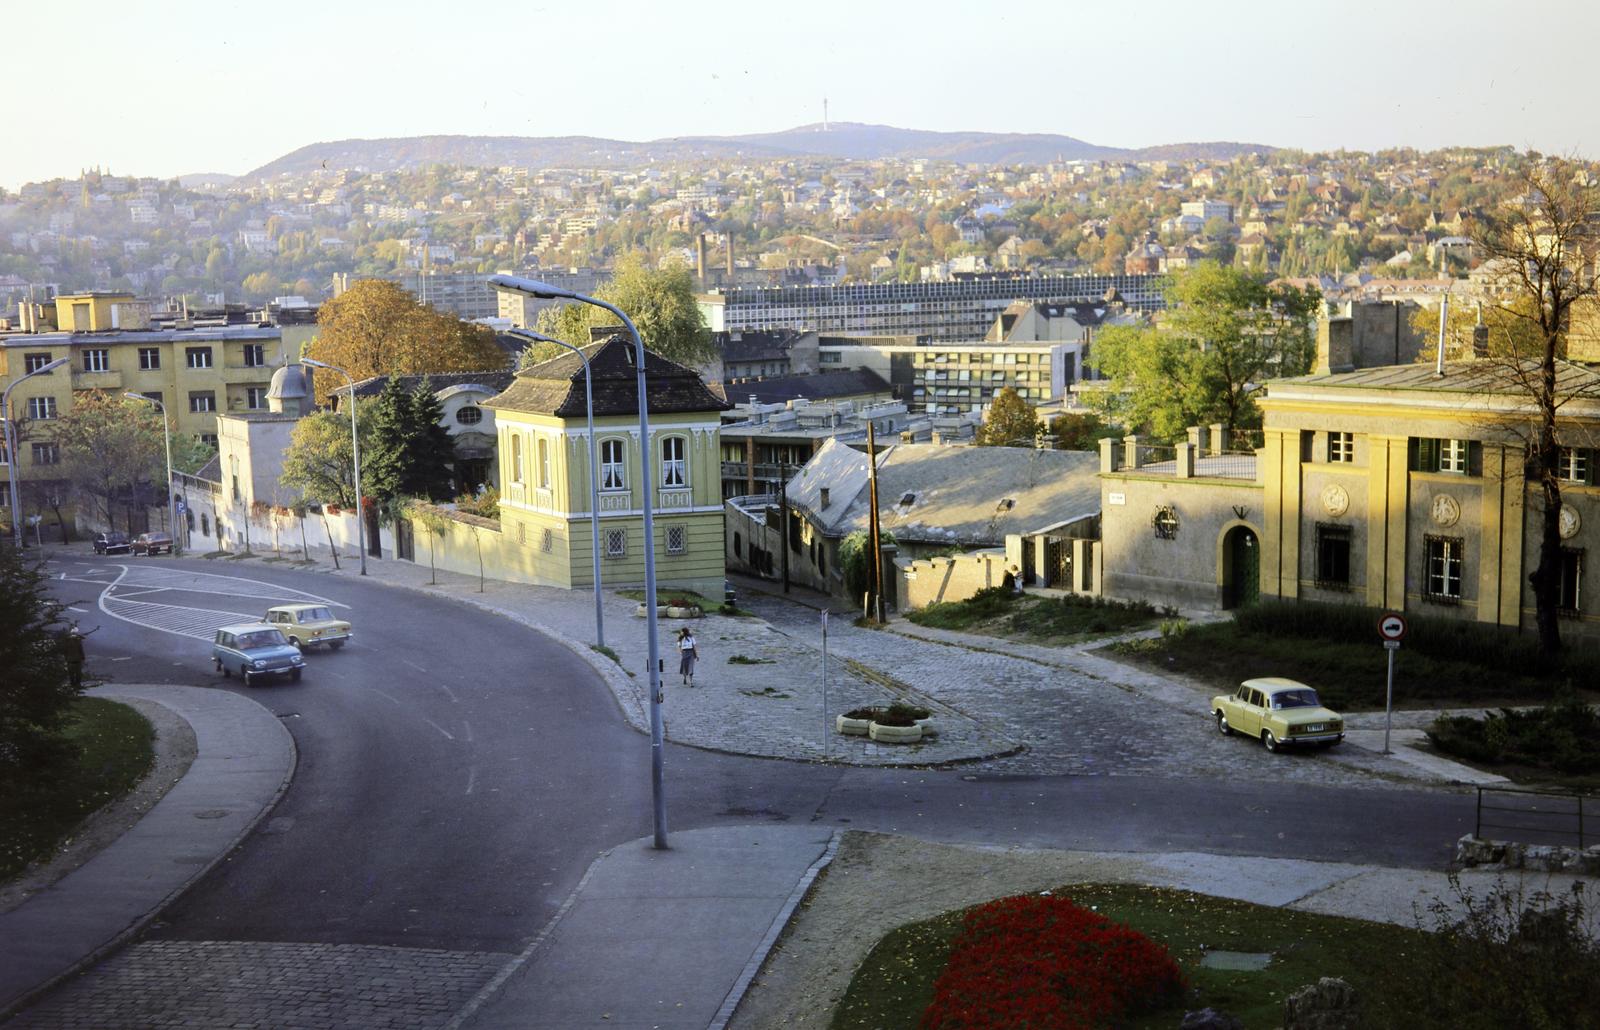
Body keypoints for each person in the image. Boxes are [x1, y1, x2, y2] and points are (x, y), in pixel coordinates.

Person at [61, 624, 88, 689]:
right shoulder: (77, 641)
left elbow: (64, 651)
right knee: (78, 673)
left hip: (70, 660)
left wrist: (65, 658)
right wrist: (83, 657)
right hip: (77, 660)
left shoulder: (67, 640)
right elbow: (80, 650)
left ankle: (73, 685)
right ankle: (77, 685)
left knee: (72, 674)